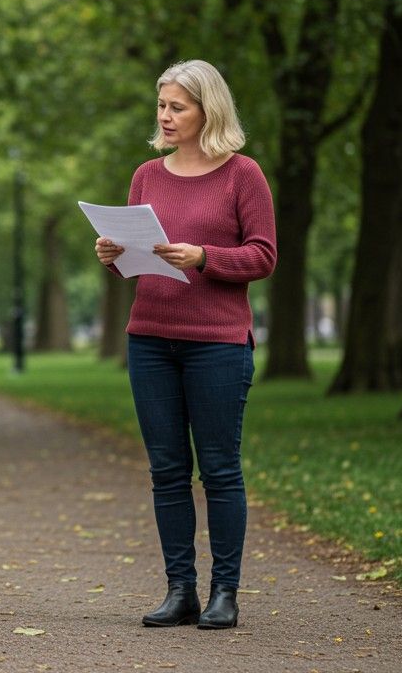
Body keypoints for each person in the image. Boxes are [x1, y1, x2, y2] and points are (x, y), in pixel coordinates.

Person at [94, 60, 276, 630]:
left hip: (217, 344)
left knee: (219, 470)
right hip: (150, 340)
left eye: (178, 107)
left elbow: (264, 255)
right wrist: (113, 255)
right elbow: (135, 259)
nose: (165, 116)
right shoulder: (147, 175)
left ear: (207, 110)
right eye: (162, 105)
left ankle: (225, 592)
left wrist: (204, 257)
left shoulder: (243, 174)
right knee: (167, 470)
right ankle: (181, 591)